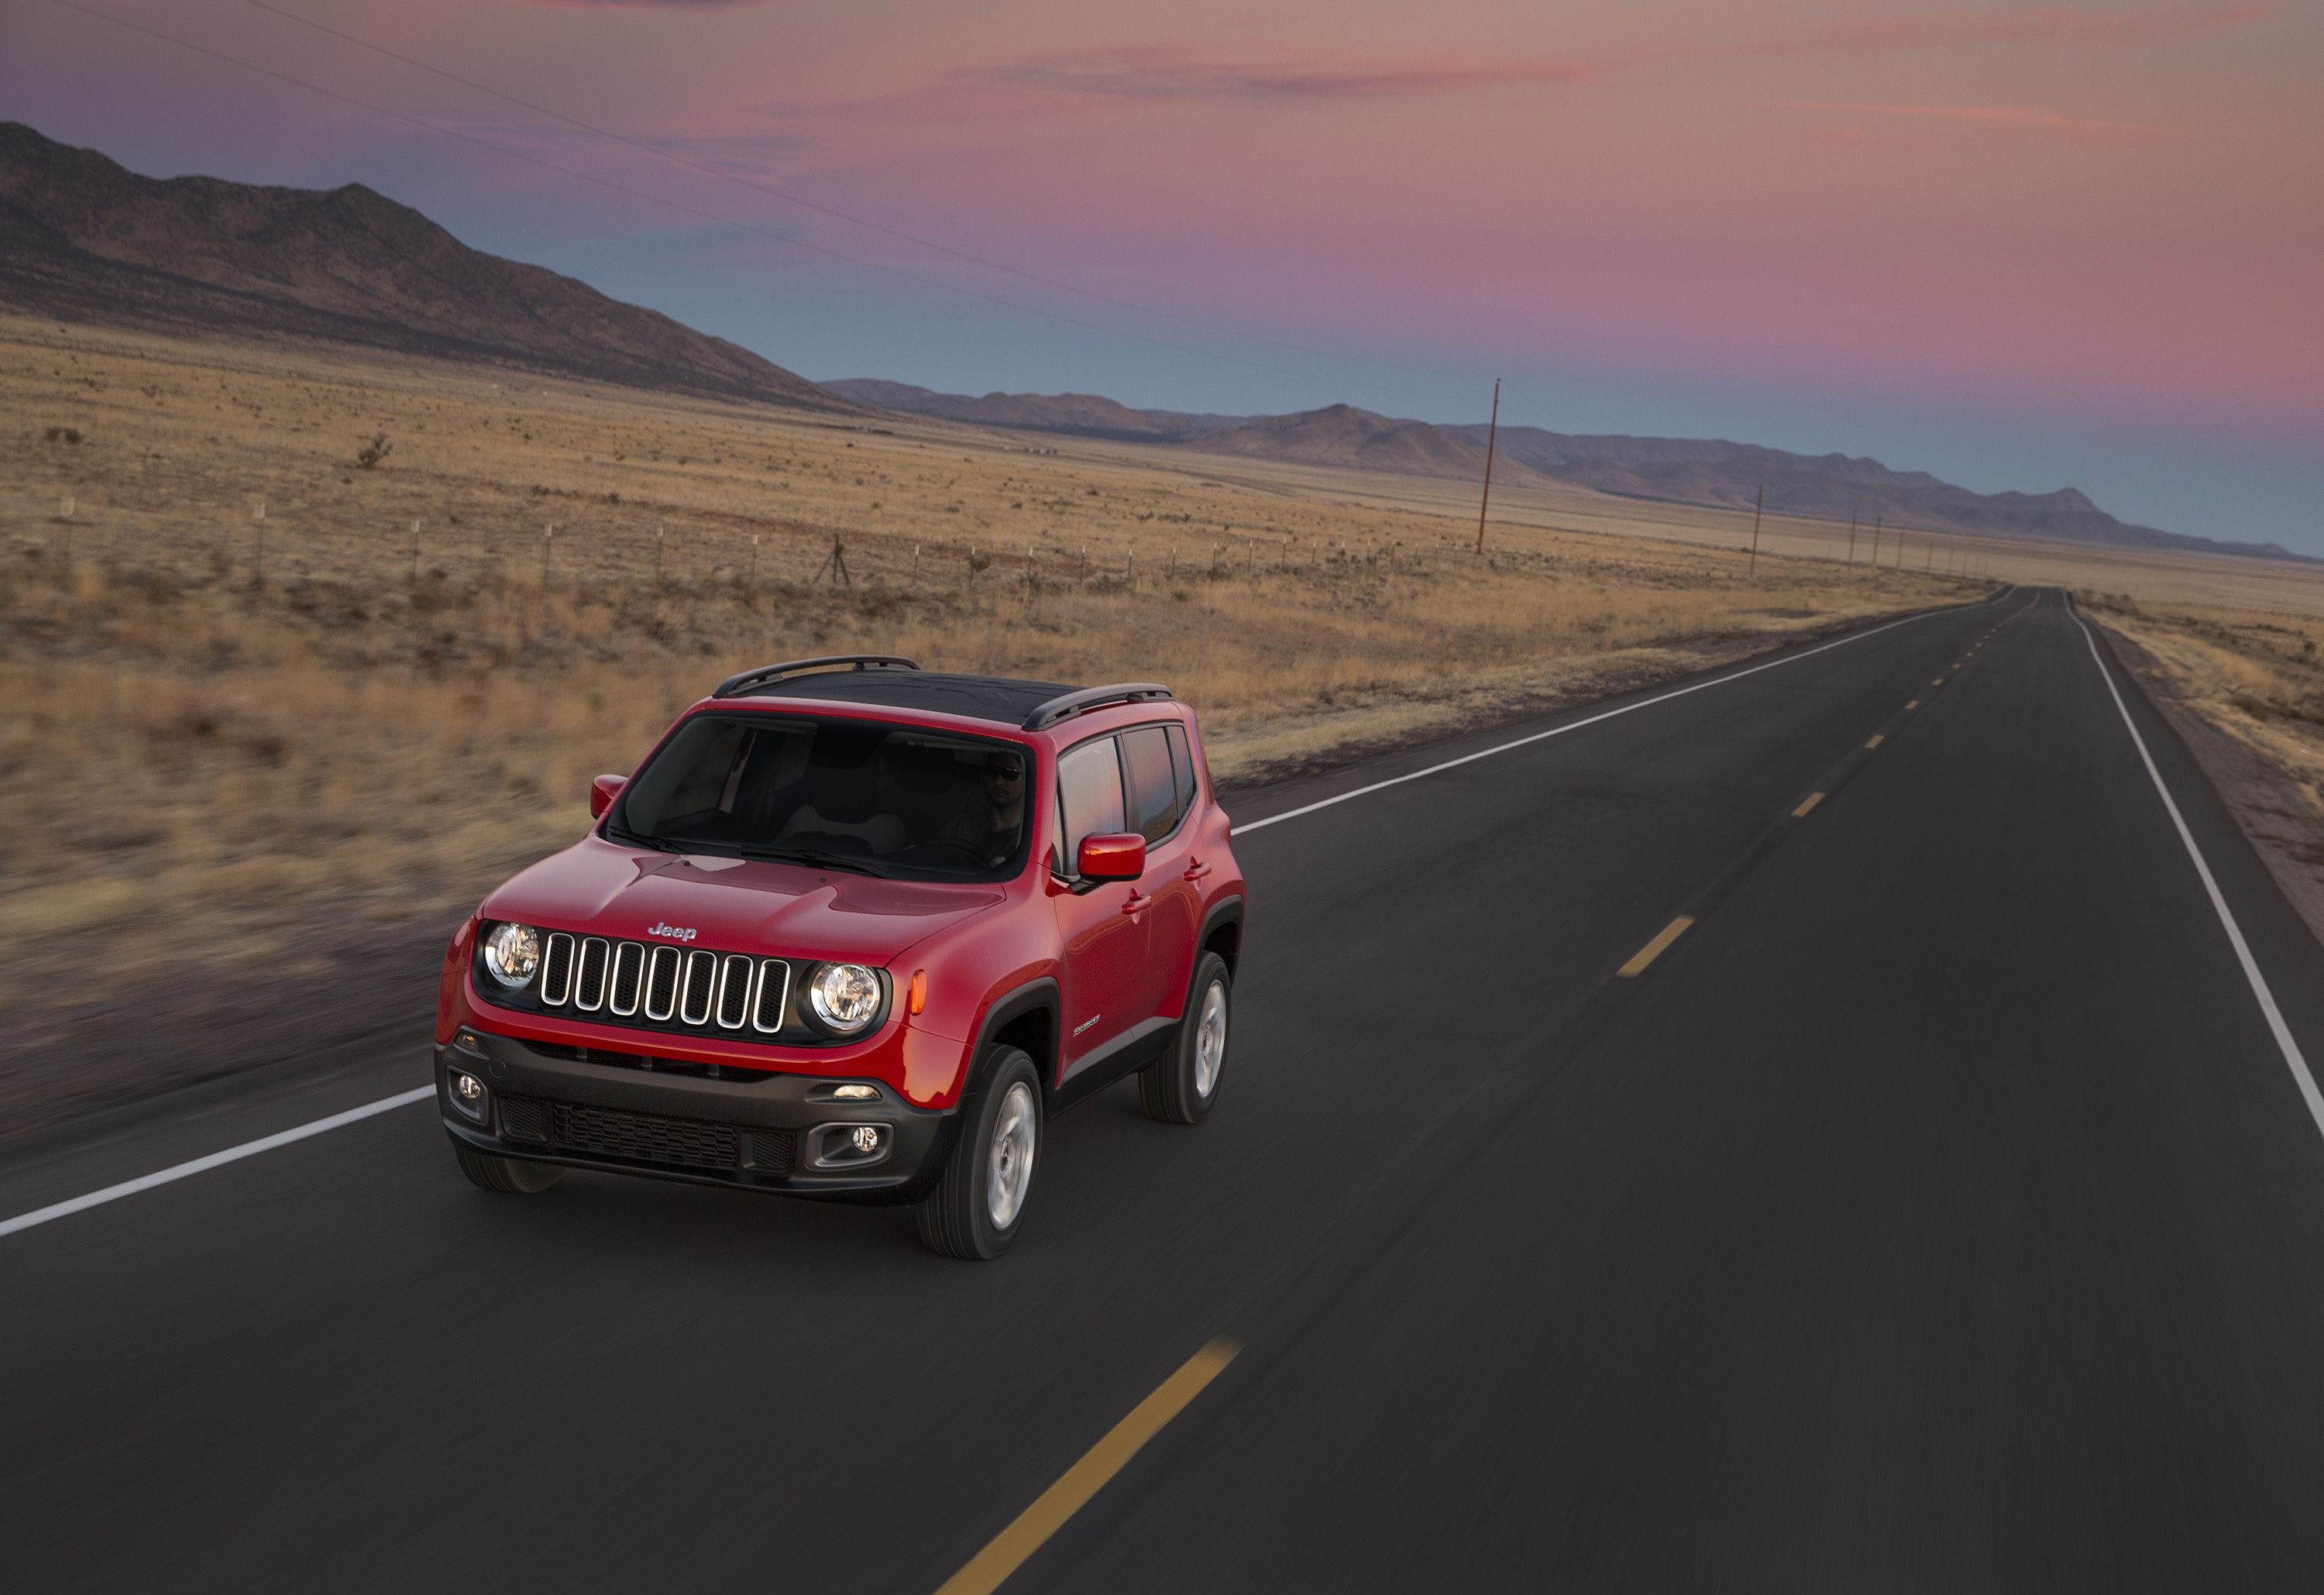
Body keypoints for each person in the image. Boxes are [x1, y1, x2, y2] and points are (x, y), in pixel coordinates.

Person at [944, 750, 1026, 863]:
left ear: (1027, 780)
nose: (999, 781)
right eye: (992, 771)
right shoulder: (962, 826)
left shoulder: (1032, 841)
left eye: (1010, 773)